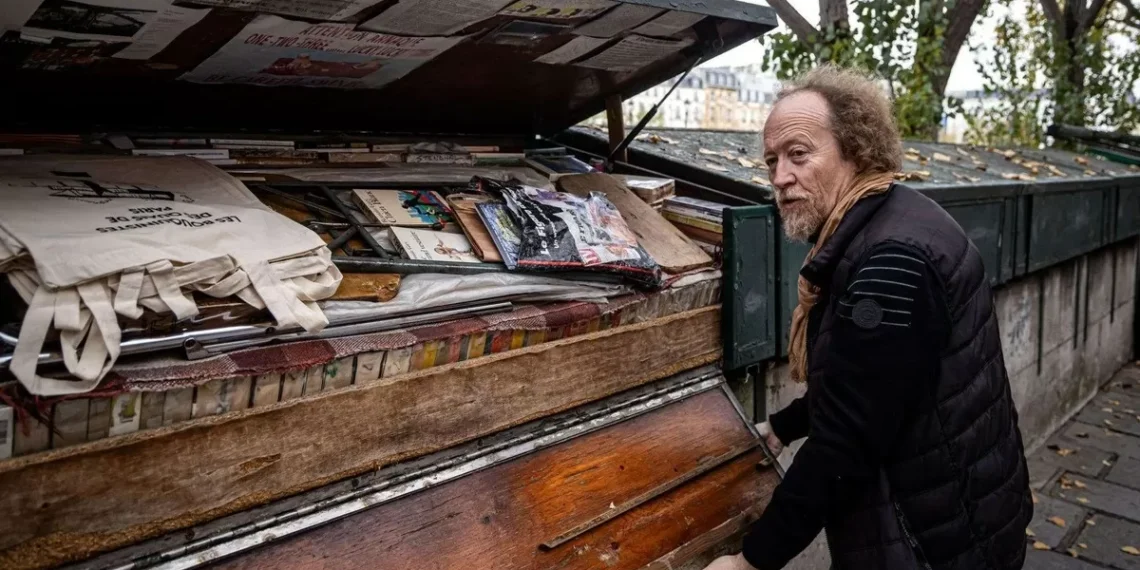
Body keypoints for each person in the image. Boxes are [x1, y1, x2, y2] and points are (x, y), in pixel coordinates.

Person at [703, 65, 1033, 570]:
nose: (780, 177)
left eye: (798, 154)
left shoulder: (890, 263)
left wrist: (751, 561)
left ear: (855, 150)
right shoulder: (892, 213)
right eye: (772, 160)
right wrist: (784, 426)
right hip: (967, 514)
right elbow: (868, 381)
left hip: (934, 540)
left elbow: (846, 440)